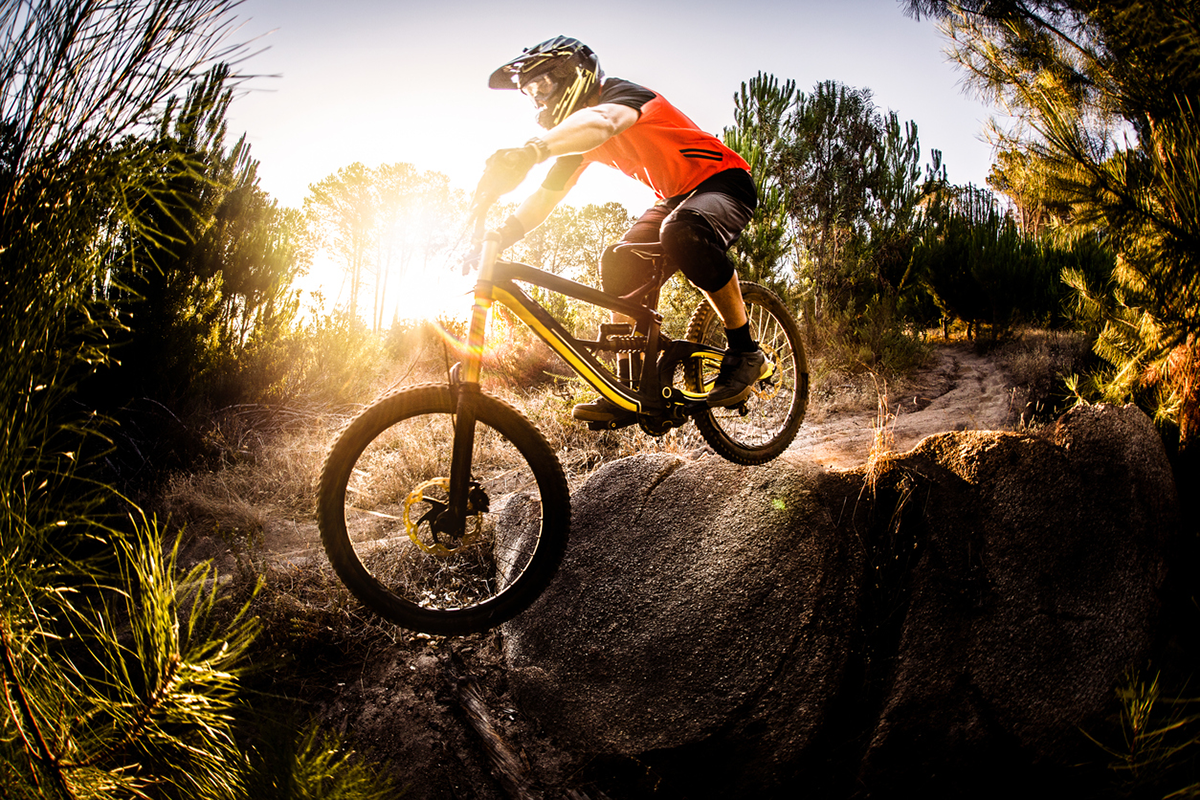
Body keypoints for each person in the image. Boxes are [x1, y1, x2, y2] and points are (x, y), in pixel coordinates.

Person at [476, 35, 765, 424]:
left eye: (542, 85)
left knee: (681, 231)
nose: (538, 99)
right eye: (530, 93)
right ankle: (630, 388)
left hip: (724, 181)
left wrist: (533, 150)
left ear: (574, 75)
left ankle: (746, 351)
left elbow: (605, 121)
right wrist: (497, 236)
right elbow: (545, 198)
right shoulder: (576, 138)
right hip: (676, 196)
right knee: (618, 259)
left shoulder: (620, 96)